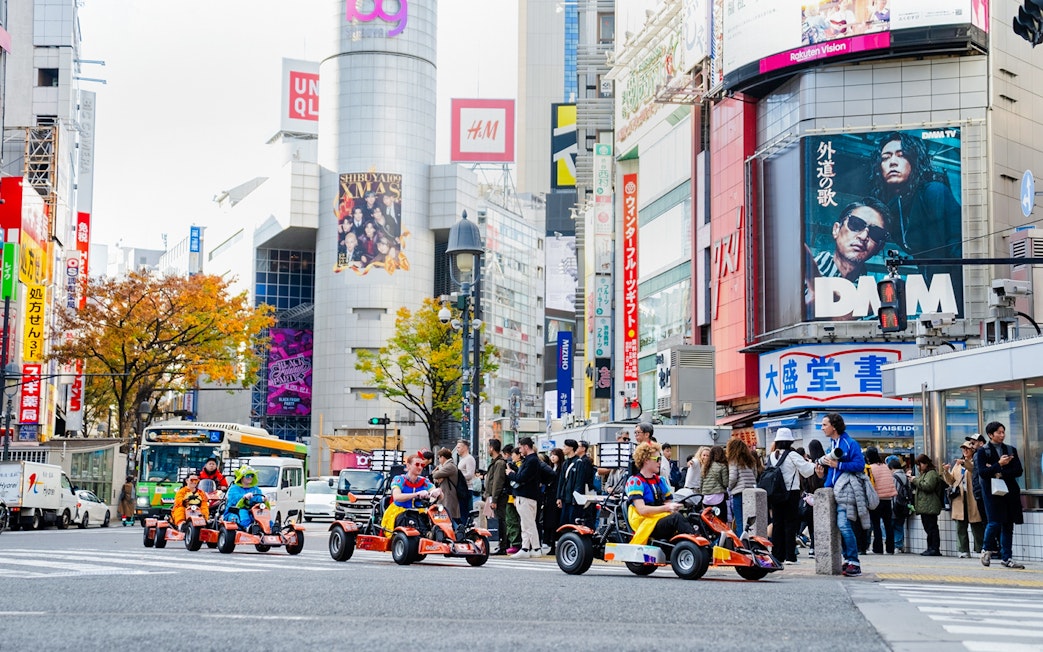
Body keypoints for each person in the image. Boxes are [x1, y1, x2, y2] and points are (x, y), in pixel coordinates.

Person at [868, 130, 963, 308]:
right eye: (885, 158)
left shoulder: (934, 192)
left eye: (901, 155)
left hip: (954, 291)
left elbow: (958, 249)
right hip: (933, 292)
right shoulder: (893, 208)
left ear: (913, 160)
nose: (892, 162)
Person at [805, 198, 892, 312]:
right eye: (856, 224)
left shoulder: (874, 300)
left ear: (879, 248)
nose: (863, 236)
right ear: (836, 230)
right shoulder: (801, 276)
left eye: (876, 233)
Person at [819, 412, 869, 577]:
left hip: (846, 490)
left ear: (834, 426)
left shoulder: (850, 443)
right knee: (839, 526)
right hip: (833, 490)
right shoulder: (831, 445)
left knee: (844, 525)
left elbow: (860, 465)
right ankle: (848, 560)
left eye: (825, 424)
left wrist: (837, 464)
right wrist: (822, 475)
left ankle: (854, 561)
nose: (822, 428)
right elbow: (831, 471)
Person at [625, 441, 696, 545]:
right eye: (657, 459)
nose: (660, 462)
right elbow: (642, 510)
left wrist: (675, 506)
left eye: (660, 459)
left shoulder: (660, 480)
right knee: (676, 518)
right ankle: (693, 544)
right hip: (645, 522)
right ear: (646, 461)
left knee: (692, 516)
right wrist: (667, 508)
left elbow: (668, 502)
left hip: (658, 519)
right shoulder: (635, 481)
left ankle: (693, 543)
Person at [976, 422, 1025, 569]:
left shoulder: (1011, 449)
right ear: (990, 435)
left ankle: (1007, 557)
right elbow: (983, 473)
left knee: (1008, 524)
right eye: (999, 432)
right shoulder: (983, 452)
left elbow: (1018, 470)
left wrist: (999, 472)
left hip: (1009, 492)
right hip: (992, 492)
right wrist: (1000, 463)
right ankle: (986, 549)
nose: (1002, 435)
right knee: (995, 522)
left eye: (1003, 432)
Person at [766, 428, 816, 564]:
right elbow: (807, 471)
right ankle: (790, 556)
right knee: (790, 524)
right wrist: (814, 464)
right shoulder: (792, 455)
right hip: (790, 493)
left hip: (775, 494)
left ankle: (777, 555)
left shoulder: (771, 456)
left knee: (777, 524)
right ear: (789, 442)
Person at [379, 452, 442, 537]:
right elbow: (397, 497)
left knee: (435, 515)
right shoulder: (399, 479)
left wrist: (438, 492)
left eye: (422, 465)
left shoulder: (424, 481)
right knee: (409, 516)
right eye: (417, 464)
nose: (420, 467)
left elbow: (439, 495)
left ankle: (448, 533)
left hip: (419, 511)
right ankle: (427, 534)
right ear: (408, 466)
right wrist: (416, 494)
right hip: (400, 511)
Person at [942, 441, 984, 558]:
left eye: (967, 449)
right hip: (959, 498)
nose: (965, 451)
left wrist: (964, 463)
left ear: (972, 450)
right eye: (963, 449)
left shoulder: (974, 461)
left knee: (976, 525)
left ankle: (980, 548)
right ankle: (963, 550)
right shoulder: (957, 465)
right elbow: (951, 481)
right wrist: (945, 471)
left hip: (972, 498)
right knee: (960, 526)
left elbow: (973, 469)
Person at [504, 437, 541, 558]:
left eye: (520, 447)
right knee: (525, 523)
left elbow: (521, 477)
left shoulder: (532, 461)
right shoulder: (531, 460)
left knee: (528, 523)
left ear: (526, 447)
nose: (519, 450)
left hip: (526, 495)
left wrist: (510, 474)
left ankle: (535, 548)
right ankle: (526, 548)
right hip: (526, 495)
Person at [911, 454, 944, 556]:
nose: (918, 467)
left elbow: (928, 486)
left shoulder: (931, 474)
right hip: (926, 506)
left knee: (931, 528)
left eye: (919, 464)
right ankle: (930, 548)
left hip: (930, 505)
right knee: (929, 528)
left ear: (925, 463)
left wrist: (915, 480)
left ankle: (934, 548)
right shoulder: (925, 474)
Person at [865, 447, 896, 555]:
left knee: (876, 524)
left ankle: (878, 548)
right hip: (888, 499)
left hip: (876, 500)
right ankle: (890, 548)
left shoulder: (870, 468)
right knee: (888, 524)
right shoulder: (885, 467)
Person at [725, 437, 759, 534]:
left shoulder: (733, 460)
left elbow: (732, 478)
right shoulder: (751, 460)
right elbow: (755, 475)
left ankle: (741, 544)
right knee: (749, 521)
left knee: (740, 521)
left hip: (739, 493)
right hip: (751, 492)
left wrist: (729, 488)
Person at [224, 466, 271, 532]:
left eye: (252, 475)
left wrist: (263, 499)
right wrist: (243, 497)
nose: (250, 477)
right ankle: (247, 528)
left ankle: (270, 527)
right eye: (247, 475)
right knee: (243, 513)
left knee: (264, 514)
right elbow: (233, 499)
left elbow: (258, 497)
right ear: (241, 477)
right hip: (236, 510)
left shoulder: (255, 489)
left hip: (253, 509)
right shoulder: (234, 488)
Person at [483, 439, 508, 554]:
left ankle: (503, 545)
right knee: (499, 519)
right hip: (495, 496)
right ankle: (502, 544)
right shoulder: (496, 462)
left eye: (489, 447)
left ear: (492, 448)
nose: (488, 449)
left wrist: (494, 498)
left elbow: (498, 482)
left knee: (501, 519)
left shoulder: (499, 463)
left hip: (499, 496)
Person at [541, 448, 564, 555]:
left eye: (555, 455)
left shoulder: (561, 468)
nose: (552, 457)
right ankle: (549, 542)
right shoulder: (550, 468)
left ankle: (554, 545)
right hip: (549, 497)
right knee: (548, 520)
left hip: (556, 497)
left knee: (554, 521)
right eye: (551, 455)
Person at [431, 448, 461, 526]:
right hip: (446, 493)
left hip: (449, 494)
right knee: (445, 515)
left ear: (443, 457)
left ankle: (458, 533)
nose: (439, 460)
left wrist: (436, 472)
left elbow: (435, 475)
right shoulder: (447, 466)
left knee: (448, 515)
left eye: (439, 458)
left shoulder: (450, 466)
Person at [887, 455, 911, 553]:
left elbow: (894, 492)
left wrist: (891, 506)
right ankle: (900, 545)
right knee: (900, 525)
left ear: (892, 468)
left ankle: (896, 545)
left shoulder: (894, 477)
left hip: (895, 504)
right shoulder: (906, 476)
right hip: (904, 505)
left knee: (892, 525)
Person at [699, 445, 728, 510]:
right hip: (718, 497)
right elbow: (726, 483)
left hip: (706, 499)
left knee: (708, 519)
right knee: (720, 519)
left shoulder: (704, 466)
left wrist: (703, 493)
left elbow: (701, 483)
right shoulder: (722, 466)